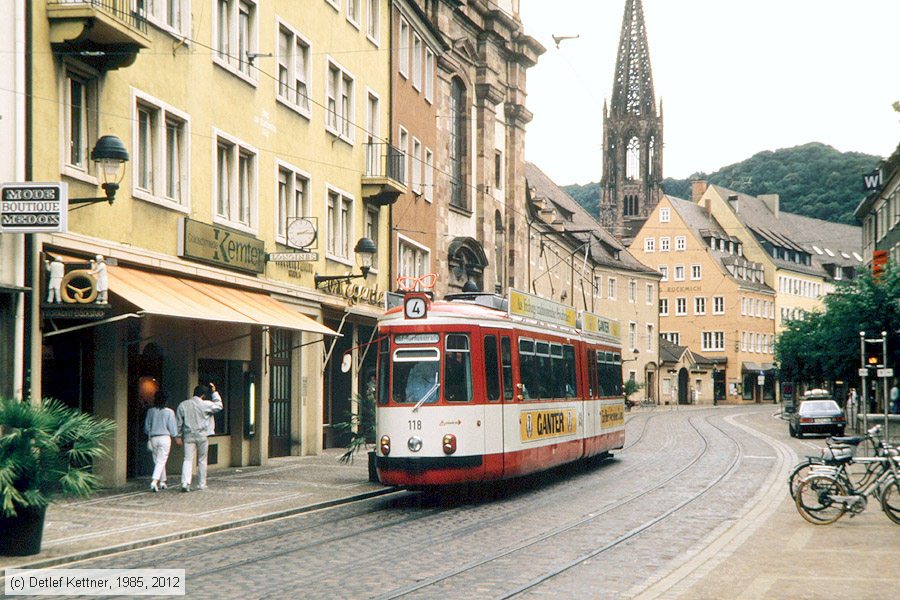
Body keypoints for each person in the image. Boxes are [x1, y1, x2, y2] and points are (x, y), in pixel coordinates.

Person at [175, 383, 223, 492]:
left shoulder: (183, 405)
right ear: (203, 395)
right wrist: (214, 392)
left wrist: (178, 436)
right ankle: (201, 484)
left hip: (188, 435)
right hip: (202, 435)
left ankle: (185, 483)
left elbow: (178, 422)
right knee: (202, 460)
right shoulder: (206, 404)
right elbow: (219, 406)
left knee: (187, 459)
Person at [144, 390, 177, 492]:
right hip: (165, 438)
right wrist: (175, 435)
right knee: (161, 461)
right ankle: (154, 481)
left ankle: (163, 481)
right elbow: (173, 429)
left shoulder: (151, 411)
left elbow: (146, 427)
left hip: (153, 438)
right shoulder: (169, 412)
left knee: (157, 461)